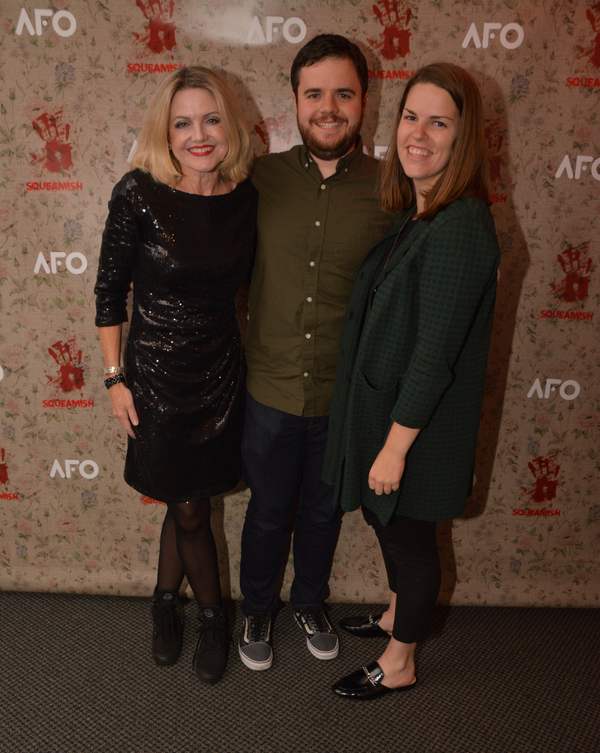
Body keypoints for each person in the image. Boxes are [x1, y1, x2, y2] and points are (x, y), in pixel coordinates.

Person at [323, 62, 501, 699]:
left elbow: (433, 359)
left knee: (413, 542)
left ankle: (400, 663)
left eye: (439, 122)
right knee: (389, 527)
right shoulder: (423, 215)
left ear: (463, 138)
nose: (417, 133)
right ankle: (398, 614)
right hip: (390, 418)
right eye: (410, 116)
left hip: (415, 430)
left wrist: (394, 449)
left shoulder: (460, 229)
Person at [94, 66, 257, 685]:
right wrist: (115, 379)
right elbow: (109, 291)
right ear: (165, 130)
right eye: (183, 122)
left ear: (230, 126)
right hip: (156, 380)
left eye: (211, 118)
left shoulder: (247, 198)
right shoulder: (138, 192)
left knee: (191, 499)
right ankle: (213, 615)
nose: (199, 134)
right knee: (190, 508)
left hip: (221, 374)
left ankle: (165, 600)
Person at [238, 34, 395, 672]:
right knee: (269, 511)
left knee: (325, 512)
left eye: (343, 93)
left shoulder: (392, 188)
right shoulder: (258, 179)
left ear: (364, 100)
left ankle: (309, 601)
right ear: (295, 102)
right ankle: (255, 606)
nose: (328, 107)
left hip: (343, 395)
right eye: (314, 94)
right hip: (268, 390)